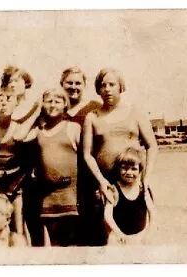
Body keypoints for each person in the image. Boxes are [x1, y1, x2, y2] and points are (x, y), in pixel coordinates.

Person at [83, 67, 158, 204]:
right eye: (103, 85)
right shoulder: (92, 117)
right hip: (107, 185)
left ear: (120, 87)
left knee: (137, 224)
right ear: (98, 89)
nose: (107, 89)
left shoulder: (135, 112)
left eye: (112, 84)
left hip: (134, 182)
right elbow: (87, 154)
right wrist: (101, 180)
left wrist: (146, 178)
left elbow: (152, 146)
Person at [17, 88, 80, 247]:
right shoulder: (39, 131)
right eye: (49, 101)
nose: (53, 105)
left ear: (65, 105)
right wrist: (37, 110)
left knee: (73, 247)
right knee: (54, 246)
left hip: (71, 197)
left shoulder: (72, 127)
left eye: (57, 102)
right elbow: (18, 136)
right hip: (48, 200)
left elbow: (85, 158)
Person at [60, 67, 103, 246]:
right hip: (63, 183)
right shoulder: (55, 109)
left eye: (78, 83)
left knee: (93, 231)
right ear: (61, 84)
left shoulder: (95, 108)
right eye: (69, 82)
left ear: (84, 85)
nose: (74, 87)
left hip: (88, 179)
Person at [0, 87, 31, 236]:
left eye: (8, 100)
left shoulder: (20, 129)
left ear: (16, 105)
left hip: (16, 184)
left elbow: (28, 160)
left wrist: (17, 184)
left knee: (18, 227)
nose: (4, 104)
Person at [104, 147, 156, 245]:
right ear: (118, 169)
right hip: (118, 236)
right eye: (124, 168)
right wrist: (118, 233)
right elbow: (107, 215)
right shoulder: (113, 189)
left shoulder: (143, 189)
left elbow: (152, 212)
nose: (129, 172)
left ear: (140, 170)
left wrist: (150, 232)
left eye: (134, 169)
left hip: (139, 236)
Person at [0, 65, 41, 144]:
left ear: (25, 82)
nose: (12, 85)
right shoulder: (6, 102)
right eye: (9, 82)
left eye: (16, 81)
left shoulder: (33, 99)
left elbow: (19, 136)